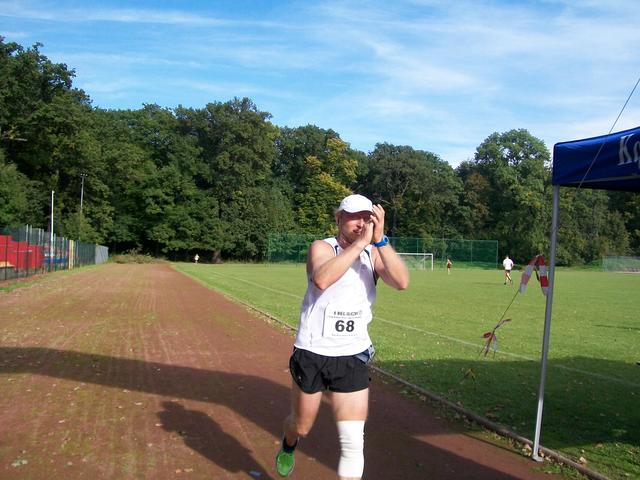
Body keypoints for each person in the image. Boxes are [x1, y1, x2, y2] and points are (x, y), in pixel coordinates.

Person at [276, 194, 409, 479]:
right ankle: (288, 443)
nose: (361, 223)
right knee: (301, 425)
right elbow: (322, 279)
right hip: (313, 351)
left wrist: (380, 241)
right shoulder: (322, 247)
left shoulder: (374, 253)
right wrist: (360, 244)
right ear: (339, 218)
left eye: (366, 218)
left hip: (352, 354)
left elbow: (401, 282)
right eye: (354, 217)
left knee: (352, 442)